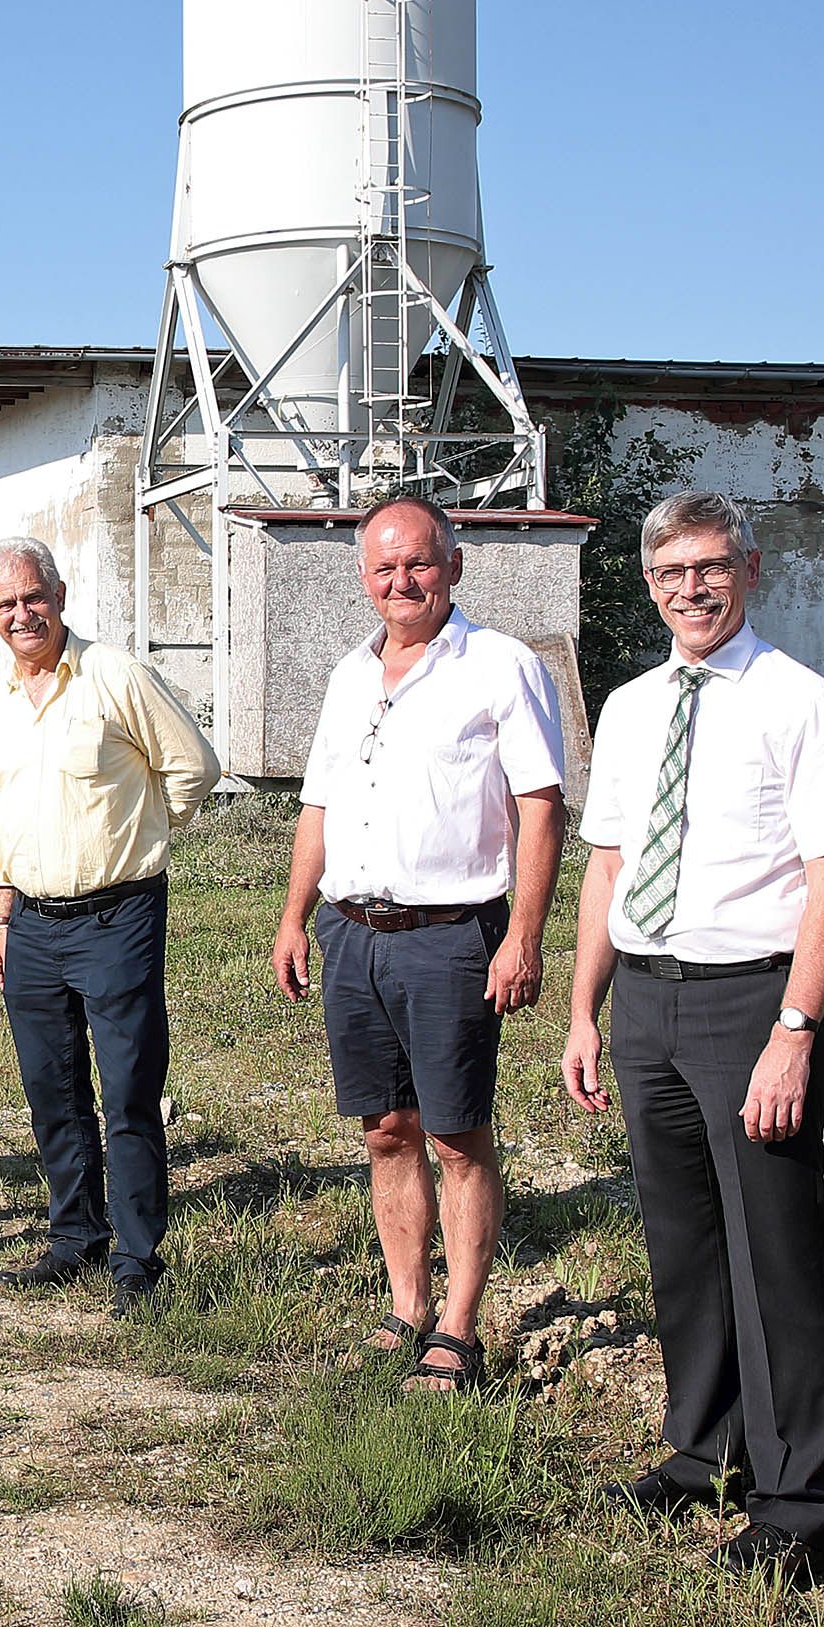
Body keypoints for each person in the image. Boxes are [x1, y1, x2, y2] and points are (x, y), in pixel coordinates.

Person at [564, 490, 824, 1586]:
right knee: (683, 1245)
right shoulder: (632, 706)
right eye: (668, 575)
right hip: (647, 999)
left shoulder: (800, 701)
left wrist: (795, 1029)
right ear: (649, 587)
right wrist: (583, 1010)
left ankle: (798, 1502)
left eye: (708, 568)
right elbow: (606, 863)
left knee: (774, 1252)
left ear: (748, 569)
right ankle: (700, 1451)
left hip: (751, 1003)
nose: (689, 590)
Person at [273, 498, 567, 1389]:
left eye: (420, 564)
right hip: (351, 930)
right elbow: (318, 805)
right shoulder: (348, 676)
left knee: (456, 1133)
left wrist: (523, 931)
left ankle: (459, 1325)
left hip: (451, 935)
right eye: (383, 569)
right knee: (386, 1129)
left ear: (455, 564)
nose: (402, 583)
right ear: (364, 578)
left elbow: (540, 805)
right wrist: (294, 915)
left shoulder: (501, 666)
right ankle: (406, 1305)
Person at [0, 535, 219, 1307]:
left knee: (128, 1090)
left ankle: (138, 1261)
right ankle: (74, 1235)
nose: (23, 614)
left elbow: (194, 766)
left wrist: (144, 833)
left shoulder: (114, 674)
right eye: (6, 604)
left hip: (119, 916)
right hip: (34, 924)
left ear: (60, 596)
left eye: (33, 598)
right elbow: (0, 814)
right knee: (52, 1090)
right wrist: (4, 912)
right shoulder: (3, 699)